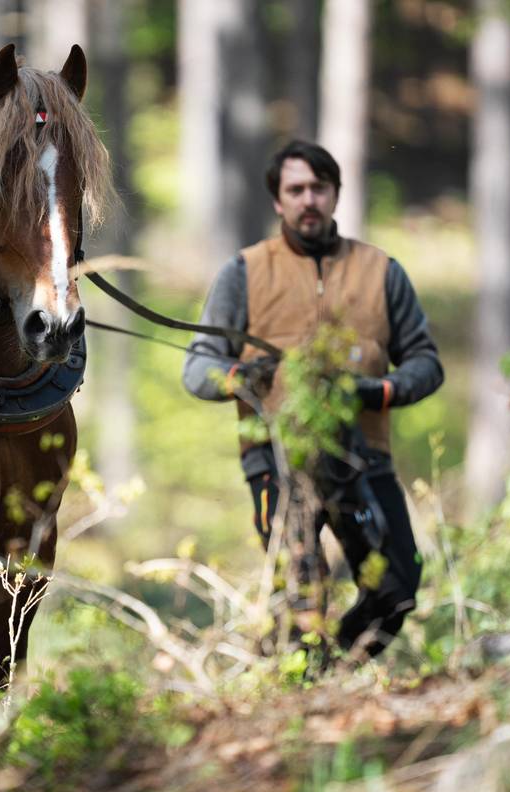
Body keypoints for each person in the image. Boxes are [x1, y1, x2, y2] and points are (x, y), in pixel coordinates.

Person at [182, 141, 443, 658]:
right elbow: (197, 368)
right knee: (302, 590)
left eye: (319, 189)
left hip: (362, 454)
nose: (309, 200)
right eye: (295, 190)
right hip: (274, 457)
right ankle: (296, 689)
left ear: (336, 194)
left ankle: (334, 673)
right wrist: (243, 376)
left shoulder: (381, 271)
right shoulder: (244, 271)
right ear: (278, 201)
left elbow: (426, 362)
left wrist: (376, 390)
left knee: (398, 587)